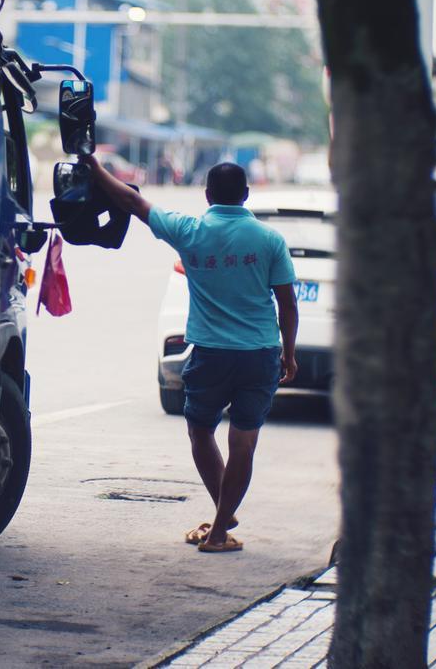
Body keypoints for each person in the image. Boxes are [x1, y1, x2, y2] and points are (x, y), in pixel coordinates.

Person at [79, 155, 299, 552]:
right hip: (259, 354)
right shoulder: (270, 240)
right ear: (246, 195)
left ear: (208, 195)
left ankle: (220, 525)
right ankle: (222, 523)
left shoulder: (190, 231)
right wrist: (290, 353)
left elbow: (132, 202)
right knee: (243, 444)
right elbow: (287, 304)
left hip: (210, 355)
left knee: (200, 432)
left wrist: (94, 168)